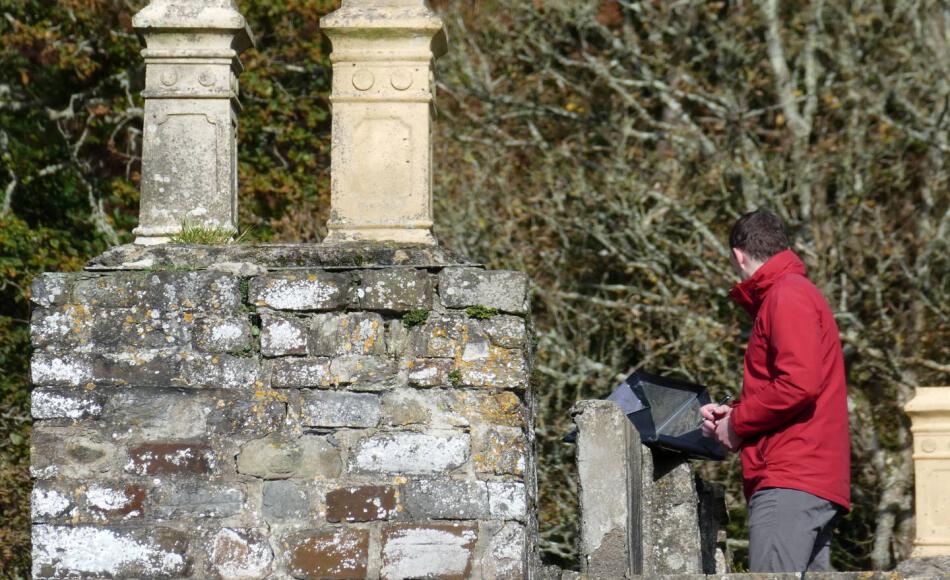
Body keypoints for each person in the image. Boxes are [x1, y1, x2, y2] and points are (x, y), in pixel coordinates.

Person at [701, 209, 851, 573]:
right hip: (807, 476)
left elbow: (798, 383)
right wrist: (735, 411)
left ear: (739, 255)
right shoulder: (793, 293)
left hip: (790, 477)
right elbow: (790, 383)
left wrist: (737, 422)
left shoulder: (786, 295)